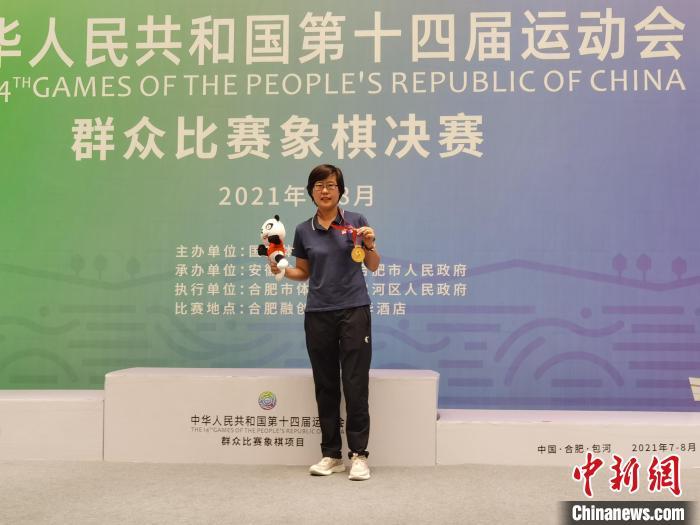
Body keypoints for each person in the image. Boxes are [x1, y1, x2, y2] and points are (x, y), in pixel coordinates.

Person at [270, 164, 379, 481]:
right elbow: (303, 272)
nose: (325, 190)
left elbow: (372, 265)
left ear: (340, 190)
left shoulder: (356, 221)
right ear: (311, 192)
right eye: (318, 185)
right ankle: (331, 454)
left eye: (331, 184)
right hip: (318, 313)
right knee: (326, 384)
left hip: (354, 310)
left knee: (355, 384)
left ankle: (359, 455)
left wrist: (370, 245)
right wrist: (279, 268)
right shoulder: (304, 230)